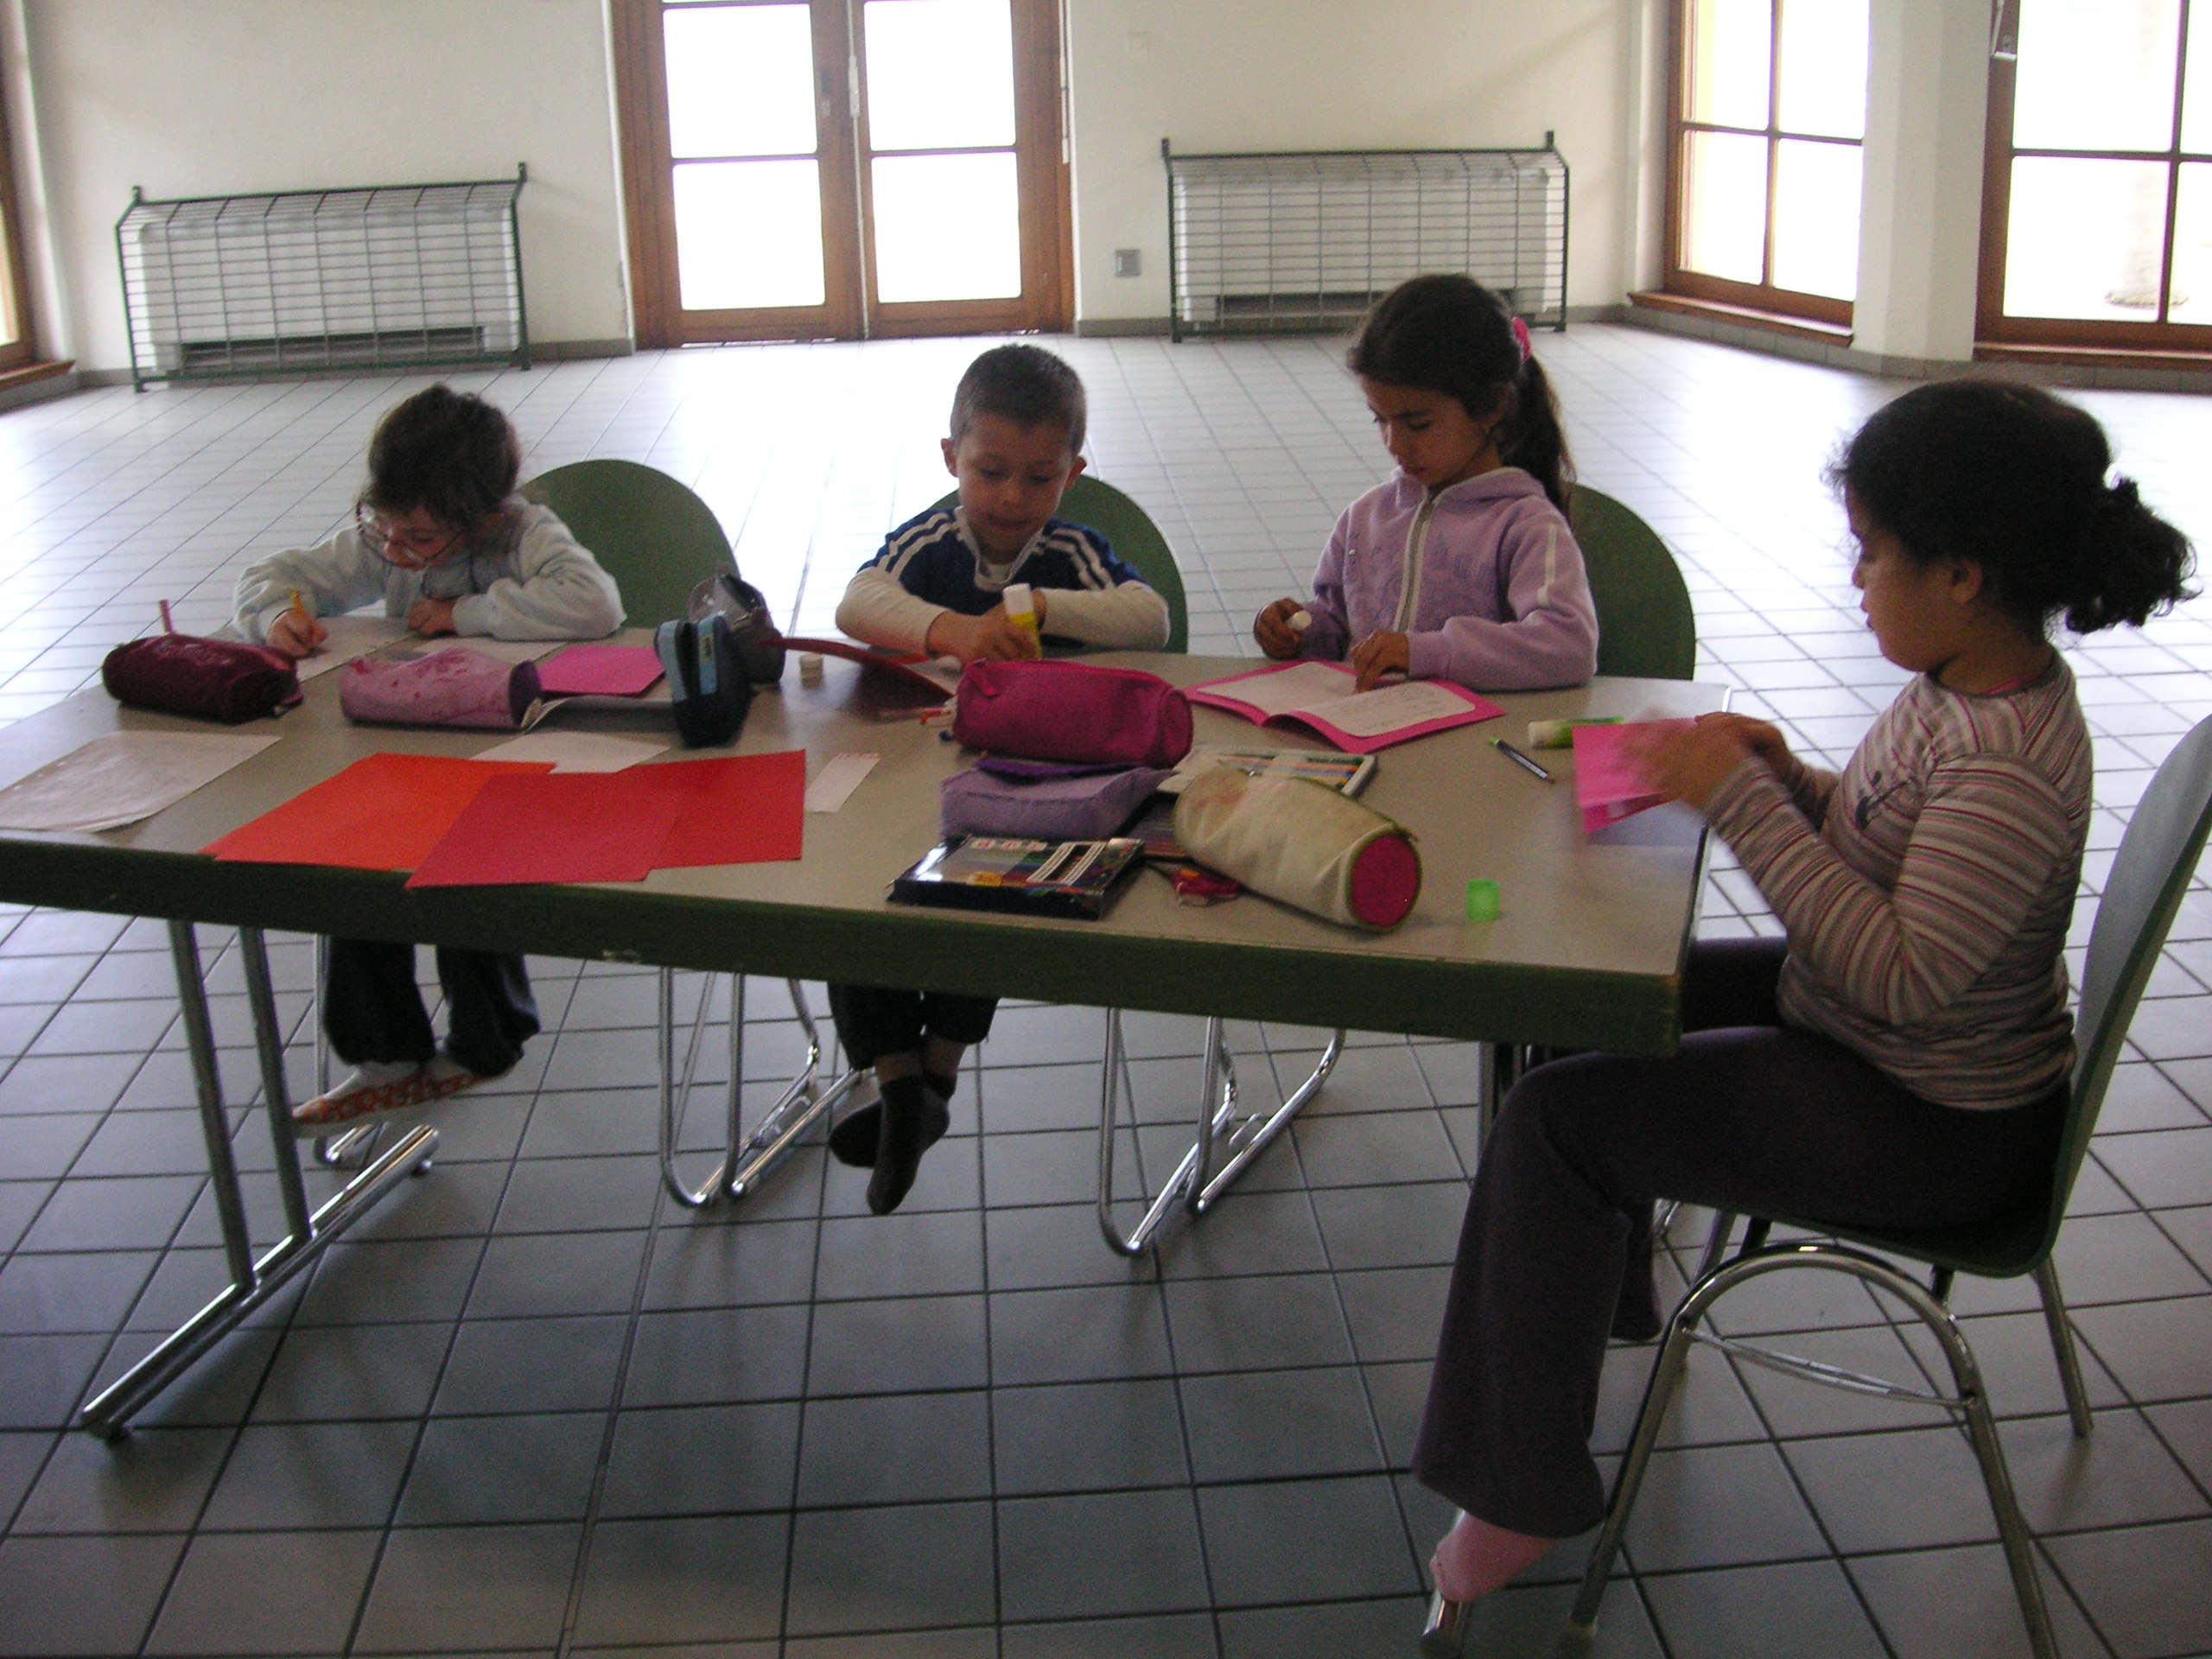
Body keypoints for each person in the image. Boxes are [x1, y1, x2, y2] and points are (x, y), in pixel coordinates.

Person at [1414, 378, 2195, 1604]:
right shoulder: (1968, 686)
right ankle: (1590, 1297)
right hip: (1869, 1038)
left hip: (1932, 1119)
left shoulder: (2004, 764)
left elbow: (1903, 974)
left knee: (1552, 1123)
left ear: (1962, 576)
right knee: (1585, 1001)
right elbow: (1896, 845)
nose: (1856, 579)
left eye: (1872, 552)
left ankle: (1520, 1492)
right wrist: (1795, 780)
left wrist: (1738, 802)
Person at [830, 342, 1170, 1213]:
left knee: (989, 889)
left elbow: (1150, 618)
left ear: (1073, 474)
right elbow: (857, 603)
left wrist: (1044, 607)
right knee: (848, 899)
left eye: (1039, 478)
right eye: (990, 473)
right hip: (916, 776)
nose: (1013, 499)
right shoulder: (933, 540)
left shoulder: (1070, 549)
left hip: (1027, 786)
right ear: (952, 459)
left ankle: (930, 1076)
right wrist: (951, 629)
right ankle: (904, 1083)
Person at [232, 384, 625, 1131]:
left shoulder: (522, 533)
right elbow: (270, 576)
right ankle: (384, 1055)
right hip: (407, 749)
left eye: (418, 538)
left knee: (469, 864)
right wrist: (278, 614)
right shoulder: (390, 538)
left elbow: (597, 603)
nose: (395, 551)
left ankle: (486, 1041)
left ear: (483, 517)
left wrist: (464, 613)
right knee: (355, 858)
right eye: (383, 527)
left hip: (516, 753)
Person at [1253, 273, 1598, 692]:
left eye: (1417, 424)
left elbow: (1568, 645)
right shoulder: (1365, 518)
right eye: (1380, 420)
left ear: (1491, 407)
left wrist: (1430, 653)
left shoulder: (1525, 524)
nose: (1394, 443)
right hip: (1370, 723)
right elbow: (1338, 627)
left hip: (1479, 731)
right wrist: (1297, 631)